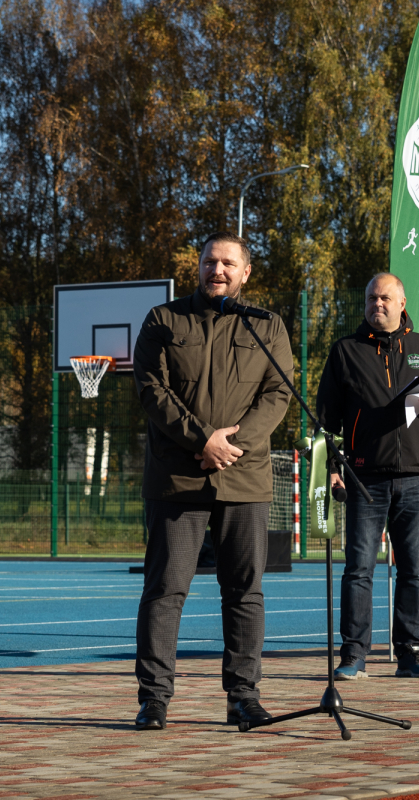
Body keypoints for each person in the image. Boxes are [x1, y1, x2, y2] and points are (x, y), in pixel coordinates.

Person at [131, 232, 293, 731]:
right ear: (197, 267)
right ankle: (154, 699)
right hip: (178, 478)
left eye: (228, 263)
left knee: (245, 591)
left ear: (245, 273)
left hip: (244, 479)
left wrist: (232, 446)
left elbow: (278, 394)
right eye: (208, 262)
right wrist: (203, 441)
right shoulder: (164, 319)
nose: (216, 270)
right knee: (165, 590)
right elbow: (151, 388)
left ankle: (242, 697)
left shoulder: (268, 325)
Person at [316, 272, 419, 680]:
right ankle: (354, 654)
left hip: (415, 476)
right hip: (364, 477)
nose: (377, 304)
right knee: (359, 568)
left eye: (384, 299)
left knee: (414, 569)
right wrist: (333, 470)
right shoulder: (345, 351)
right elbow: (327, 421)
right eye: (371, 298)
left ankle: (410, 652)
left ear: (402, 302)